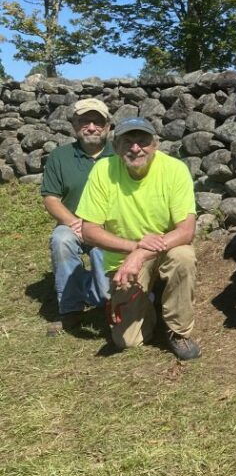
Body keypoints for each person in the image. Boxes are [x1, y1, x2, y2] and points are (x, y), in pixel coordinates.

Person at [77, 117, 200, 360]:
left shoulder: (175, 169)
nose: (135, 148)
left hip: (164, 250)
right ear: (115, 146)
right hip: (123, 262)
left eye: (142, 141)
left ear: (155, 144)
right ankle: (152, 302)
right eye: (128, 141)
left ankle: (178, 331)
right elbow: (89, 230)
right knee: (128, 341)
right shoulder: (103, 171)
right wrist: (134, 248)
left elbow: (186, 231)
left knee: (184, 255)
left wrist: (140, 253)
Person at [40, 98, 115, 335]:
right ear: (74, 125)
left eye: (98, 122)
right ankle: (70, 310)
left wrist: (100, 229)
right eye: (84, 121)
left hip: (111, 227)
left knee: (105, 293)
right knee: (61, 240)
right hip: (73, 224)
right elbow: (51, 198)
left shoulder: (121, 155)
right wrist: (74, 223)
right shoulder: (60, 157)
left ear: (108, 126)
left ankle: (106, 299)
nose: (91, 127)